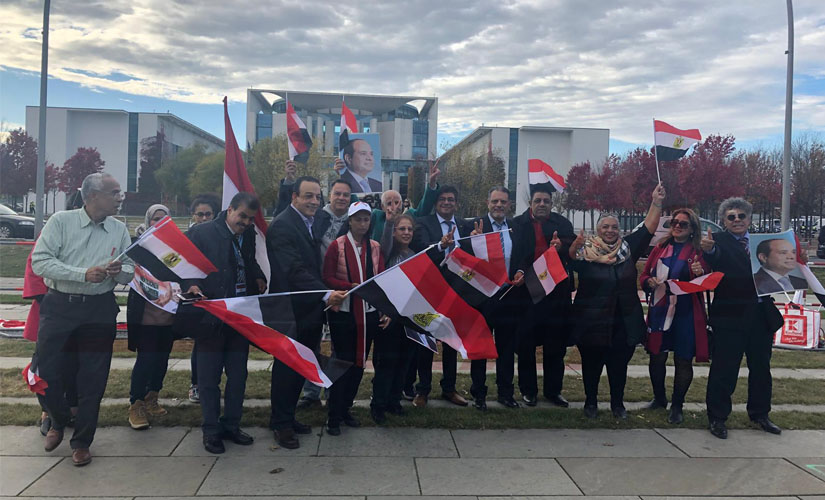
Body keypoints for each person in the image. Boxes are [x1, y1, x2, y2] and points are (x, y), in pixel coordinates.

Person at [31, 172, 134, 466]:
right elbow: (40, 262)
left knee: (93, 378)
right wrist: (82, 274)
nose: (120, 198)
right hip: (60, 307)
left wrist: (120, 273)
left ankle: (82, 442)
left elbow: (130, 269)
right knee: (47, 371)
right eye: (114, 192)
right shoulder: (60, 222)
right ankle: (58, 418)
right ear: (92, 196)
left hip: (99, 310)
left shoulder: (119, 229)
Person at [569, 183, 666, 419]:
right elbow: (570, 261)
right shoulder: (586, 250)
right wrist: (573, 249)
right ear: (597, 229)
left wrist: (656, 202)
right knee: (591, 364)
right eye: (605, 226)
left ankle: (617, 405)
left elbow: (649, 227)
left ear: (619, 230)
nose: (610, 230)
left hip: (624, 320)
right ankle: (591, 403)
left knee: (618, 365)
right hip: (591, 321)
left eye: (614, 227)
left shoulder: (629, 248)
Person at [182, 192, 267, 454]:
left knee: (238, 375)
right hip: (211, 316)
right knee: (209, 379)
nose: (245, 223)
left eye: (250, 219)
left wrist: (258, 276)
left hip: (239, 315)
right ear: (230, 210)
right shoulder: (202, 232)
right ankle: (211, 430)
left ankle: (231, 425)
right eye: (242, 216)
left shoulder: (248, 234)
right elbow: (183, 264)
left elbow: (248, 261)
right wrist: (191, 285)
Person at [266, 176, 347, 450]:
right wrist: (326, 293)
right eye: (308, 196)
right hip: (291, 310)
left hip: (309, 309)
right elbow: (293, 270)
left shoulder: (311, 221)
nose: (314, 202)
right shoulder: (283, 226)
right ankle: (280, 424)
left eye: (317, 197)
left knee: (300, 365)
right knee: (286, 368)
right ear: (294, 197)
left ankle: (288, 416)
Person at [700, 197, 784, 439]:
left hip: (760, 315)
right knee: (724, 369)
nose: (737, 220)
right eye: (731, 217)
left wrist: (795, 261)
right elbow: (713, 256)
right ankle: (717, 417)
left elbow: (781, 268)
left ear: (748, 218)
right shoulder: (717, 241)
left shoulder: (764, 243)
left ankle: (760, 414)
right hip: (730, 316)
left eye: (741, 216)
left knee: (761, 368)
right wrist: (709, 250)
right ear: (724, 221)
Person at [322, 202, 389, 432]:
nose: (362, 223)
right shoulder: (337, 246)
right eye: (358, 219)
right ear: (349, 221)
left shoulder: (375, 247)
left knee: (359, 362)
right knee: (342, 362)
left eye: (366, 219)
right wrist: (349, 285)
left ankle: (345, 408)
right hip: (344, 313)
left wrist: (383, 308)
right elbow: (327, 277)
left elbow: (381, 278)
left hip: (368, 313)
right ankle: (333, 414)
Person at [639, 208, 710, 424]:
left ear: (692, 229)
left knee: (683, 359)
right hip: (660, 309)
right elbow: (644, 274)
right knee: (657, 355)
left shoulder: (698, 251)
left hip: (686, 312)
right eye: (674, 222)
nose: (677, 226)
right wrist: (648, 282)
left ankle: (677, 405)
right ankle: (659, 398)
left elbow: (708, 278)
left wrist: (701, 272)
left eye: (683, 224)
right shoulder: (660, 247)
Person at [509, 183, 575, 408]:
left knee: (555, 346)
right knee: (526, 346)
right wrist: (518, 270)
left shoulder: (562, 224)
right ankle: (528, 390)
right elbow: (513, 254)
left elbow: (573, 251)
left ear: (551, 204)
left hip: (555, 296)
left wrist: (561, 246)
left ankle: (553, 391)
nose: (542, 204)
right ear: (530, 203)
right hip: (526, 295)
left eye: (546, 201)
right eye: (538, 200)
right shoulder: (517, 225)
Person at [409, 185, 472, 407]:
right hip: (430, 292)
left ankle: (449, 388)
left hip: (456, 292)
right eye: (443, 199)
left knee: (451, 343)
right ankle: (423, 389)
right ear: (436, 203)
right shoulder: (423, 223)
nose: (447, 202)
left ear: (456, 203)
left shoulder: (465, 225)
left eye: (451, 199)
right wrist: (440, 245)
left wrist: (474, 240)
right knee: (426, 343)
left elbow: (471, 256)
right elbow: (420, 250)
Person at [295, 178, 353, 410]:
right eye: (337, 193)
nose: (341, 198)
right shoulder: (316, 216)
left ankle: (332, 391)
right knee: (312, 343)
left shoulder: (354, 219)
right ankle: (311, 391)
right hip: (315, 289)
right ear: (329, 195)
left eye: (346, 194)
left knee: (339, 343)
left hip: (342, 291)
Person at [467, 186, 522, 410]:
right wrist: (472, 242)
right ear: (487, 203)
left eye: (503, 202)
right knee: (480, 347)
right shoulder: (475, 226)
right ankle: (478, 394)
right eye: (495, 201)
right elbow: (463, 258)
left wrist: (521, 271)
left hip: (508, 296)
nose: (499, 205)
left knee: (506, 348)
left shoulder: (515, 228)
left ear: (509, 205)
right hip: (482, 298)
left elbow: (522, 255)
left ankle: (505, 393)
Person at [126, 204, 177, 430]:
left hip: (168, 314)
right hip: (145, 315)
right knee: (146, 360)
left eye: (164, 218)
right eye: (156, 218)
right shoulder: (137, 246)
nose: (160, 223)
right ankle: (136, 404)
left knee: (162, 360)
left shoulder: (175, 249)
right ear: (148, 221)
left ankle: (152, 397)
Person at [372, 213, 418, 416]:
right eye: (402, 229)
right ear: (394, 232)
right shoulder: (386, 253)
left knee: (403, 363)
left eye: (409, 229)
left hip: (407, 317)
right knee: (386, 363)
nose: (406, 232)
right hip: (388, 317)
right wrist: (390, 222)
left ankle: (394, 401)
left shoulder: (415, 255)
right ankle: (379, 404)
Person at [186, 194, 220, 403]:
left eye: (208, 214)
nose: (204, 218)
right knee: (201, 343)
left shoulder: (219, 236)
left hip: (217, 293)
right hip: (197, 294)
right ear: (193, 215)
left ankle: (211, 382)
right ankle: (196, 384)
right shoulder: (188, 237)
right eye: (200, 214)